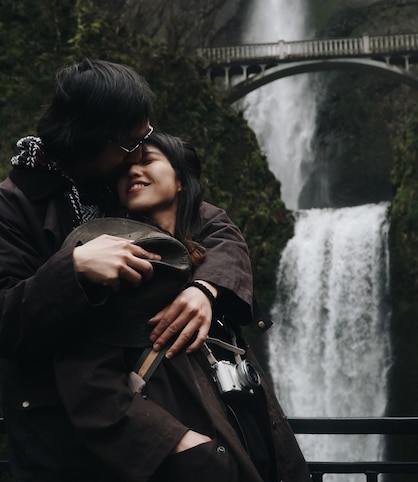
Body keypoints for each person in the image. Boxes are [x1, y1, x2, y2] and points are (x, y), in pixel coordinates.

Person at [0, 58, 258, 482]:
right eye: (131, 143)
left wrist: (207, 287)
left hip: (157, 417)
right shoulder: (13, 207)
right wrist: (74, 269)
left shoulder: (119, 181)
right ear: (91, 141)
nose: (140, 152)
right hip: (65, 442)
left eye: (147, 139)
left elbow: (213, 225)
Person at [53, 132, 311, 482]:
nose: (132, 171)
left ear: (180, 181)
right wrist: (175, 443)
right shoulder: (111, 260)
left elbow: (223, 231)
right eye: (124, 169)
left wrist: (205, 289)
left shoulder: (208, 248)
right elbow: (84, 375)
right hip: (194, 460)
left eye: (147, 160)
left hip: (253, 437)